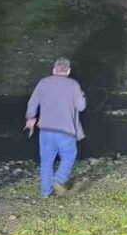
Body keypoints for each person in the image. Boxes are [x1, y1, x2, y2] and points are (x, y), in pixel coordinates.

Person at [24, 57, 86, 197]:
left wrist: (30, 117)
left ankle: (46, 192)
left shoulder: (43, 83)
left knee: (46, 161)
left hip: (46, 130)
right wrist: (82, 95)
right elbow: (81, 107)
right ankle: (59, 178)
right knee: (69, 155)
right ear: (68, 71)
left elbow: (32, 103)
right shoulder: (73, 85)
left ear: (54, 70)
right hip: (66, 130)